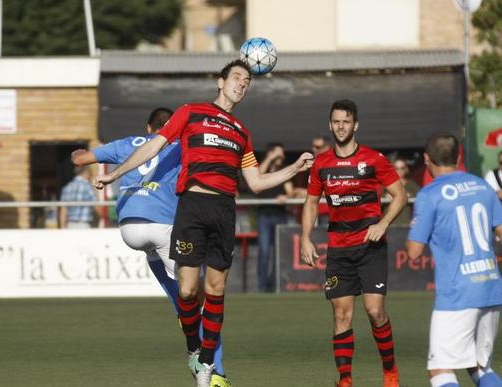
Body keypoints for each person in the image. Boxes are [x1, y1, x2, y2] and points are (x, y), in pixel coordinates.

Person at [94, 59, 314, 387]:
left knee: (216, 290)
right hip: (193, 207)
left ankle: (207, 366)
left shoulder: (242, 132)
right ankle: (194, 349)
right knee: (187, 289)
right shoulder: (191, 112)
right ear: (220, 81)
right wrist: (115, 173)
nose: (242, 84)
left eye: (247, 81)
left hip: (224, 210)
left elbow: (254, 182)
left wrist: (294, 169)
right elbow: (154, 145)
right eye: (236, 77)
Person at [72, 107, 231, 387]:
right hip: (163, 226)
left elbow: (81, 158)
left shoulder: (126, 144)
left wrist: (81, 155)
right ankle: (212, 370)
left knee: (175, 291)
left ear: (148, 128)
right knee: (199, 299)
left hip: (129, 227)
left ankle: (184, 321)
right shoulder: (182, 145)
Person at [300, 99, 407, 387]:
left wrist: (383, 224)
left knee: (375, 311)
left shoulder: (374, 159)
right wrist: (305, 237)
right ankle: (345, 381)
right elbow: (311, 203)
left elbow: (401, 195)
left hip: (370, 247)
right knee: (341, 314)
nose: (341, 126)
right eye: (336, 121)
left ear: (355, 125)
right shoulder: (321, 163)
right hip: (338, 248)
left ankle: (390, 372)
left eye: (346, 121)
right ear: (330, 125)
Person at [407, 133, 502, 387]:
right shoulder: (482, 186)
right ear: (459, 156)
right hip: (491, 287)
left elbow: (414, 252)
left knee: (440, 369)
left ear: (426, 159)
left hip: (458, 294)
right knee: (480, 367)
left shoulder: (429, 195)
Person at [256, 143, 294, 292]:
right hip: (264, 215)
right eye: (279, 154)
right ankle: (262, 287)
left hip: (280, 215)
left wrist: (286, 196)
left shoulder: (283, 171)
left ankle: (274, 286)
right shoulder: (262, 168)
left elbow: (290, 191)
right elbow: (256, 178)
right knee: (264, 252)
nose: (282, 157)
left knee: (279, 253)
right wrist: (270, 158)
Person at [385, 157, 420, 225]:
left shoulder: (412, 184)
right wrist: (385, 197)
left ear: (406, 169)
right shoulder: (386, 183)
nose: (399, 171)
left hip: (406, 223)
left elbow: (421, 201)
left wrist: (410, 196)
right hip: (389, 224)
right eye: (396, 168)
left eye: (402, 168)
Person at [311, 134, 331, 226]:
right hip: (314, 212)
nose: (314, 149)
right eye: (313, 146)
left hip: (329, 212)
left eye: (317, 147)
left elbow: (336, 189)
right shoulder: (311, 163)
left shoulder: (334, 163)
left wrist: (307, 192)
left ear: (327, 147)